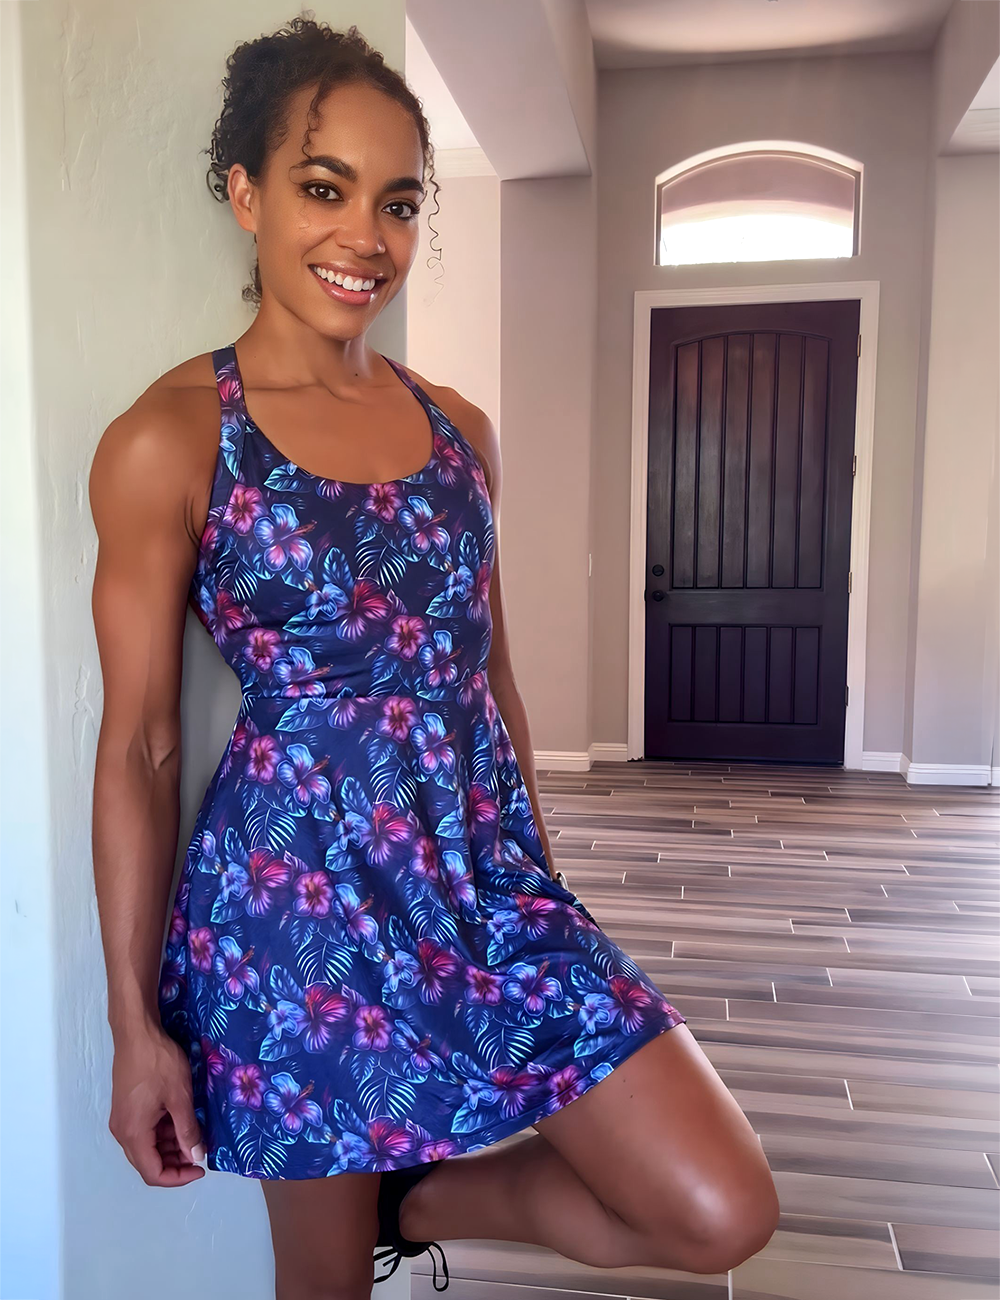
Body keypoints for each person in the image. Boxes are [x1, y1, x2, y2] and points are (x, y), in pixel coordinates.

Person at [88, 17, 778, 1298]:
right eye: (321, 187)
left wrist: (541, 879)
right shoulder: (173, 438)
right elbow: (138, 745)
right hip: (294, 920)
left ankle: (414, 1196)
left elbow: (489, 676)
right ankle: (358, 1216)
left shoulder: (457, 430)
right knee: (326, 1290)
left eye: (397, 200)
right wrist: (134, 1031)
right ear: (243, 195)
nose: (365, 236)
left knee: (719, 1207)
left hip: (484, 888)